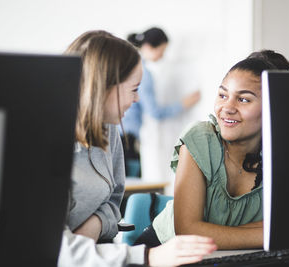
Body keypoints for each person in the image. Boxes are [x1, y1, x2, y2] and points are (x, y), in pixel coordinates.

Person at [58, 30, 216, 267]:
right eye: (134, 89)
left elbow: (113, 201)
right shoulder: (48, 146)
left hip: (99, 252)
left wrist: (92, 227)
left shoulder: (108, 129)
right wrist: (147, 257)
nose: (137, 100)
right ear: (103, 87)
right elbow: (56, 252)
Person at [134, 51, 289, 249]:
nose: (227, 107)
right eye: (223, 95)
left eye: (244, 99)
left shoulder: (285, 155)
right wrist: (269, 235)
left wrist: (277, 232)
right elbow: (189, 233)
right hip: (163, 251)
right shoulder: (201, 138)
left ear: (274, 106)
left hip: (231, 257)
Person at [120, 27, 201, 177]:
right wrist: (184, 103)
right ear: (148, 47)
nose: (162, 56)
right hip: (126, 138)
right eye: (162, 51)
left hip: (124, 135)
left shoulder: (129, 67)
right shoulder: (143, 72)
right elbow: (154, 112)